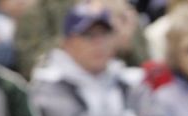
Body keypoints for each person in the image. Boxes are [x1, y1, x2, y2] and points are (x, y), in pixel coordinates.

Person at [29, 2, 169, 116]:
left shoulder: (130, 80)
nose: (99, 43)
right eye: (88, 35)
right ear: (68, 43)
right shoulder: (50, 81)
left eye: (105, 34)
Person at [16, 0, 151, 77]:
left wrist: (125, 45)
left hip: (117, 86)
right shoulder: (39, 12)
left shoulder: (120, 9)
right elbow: (31, 66)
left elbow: (145, 68)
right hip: (66, 90)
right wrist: (76, 39)